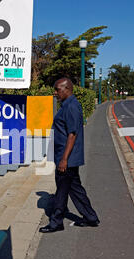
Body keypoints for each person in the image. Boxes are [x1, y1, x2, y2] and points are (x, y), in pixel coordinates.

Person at [39, 78, 100, 233]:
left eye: (57, 89)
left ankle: (56, 222)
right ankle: (91, 217)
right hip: (67, 158)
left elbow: (72, 134)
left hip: (66, 159)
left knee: (61, 191)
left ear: (67, 89)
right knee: (75, 189)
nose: (55, 92)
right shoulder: (67, 105)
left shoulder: (71, 107)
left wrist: (64, 159)